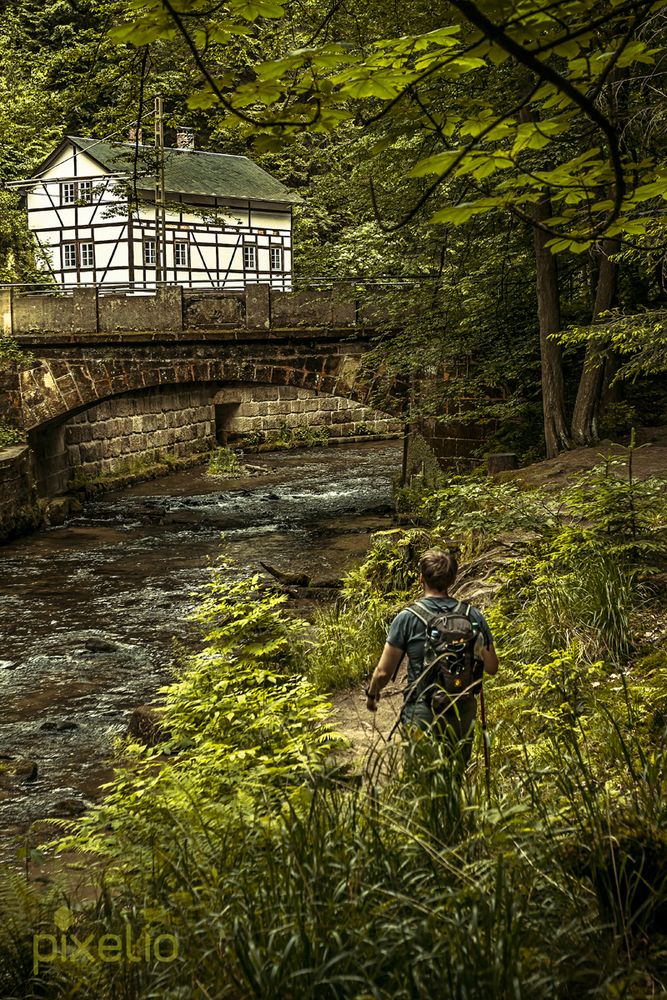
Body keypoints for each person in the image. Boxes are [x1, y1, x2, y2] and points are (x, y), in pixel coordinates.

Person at [365, 548, 498, 761]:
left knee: (422, 779)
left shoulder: (407, 618)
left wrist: (372, 694)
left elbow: (382, 672)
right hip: (461, 709)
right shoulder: (472, 616)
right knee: (455, 775)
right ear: (452, 580)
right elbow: (491, 667)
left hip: (422, 709)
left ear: (421, 579)